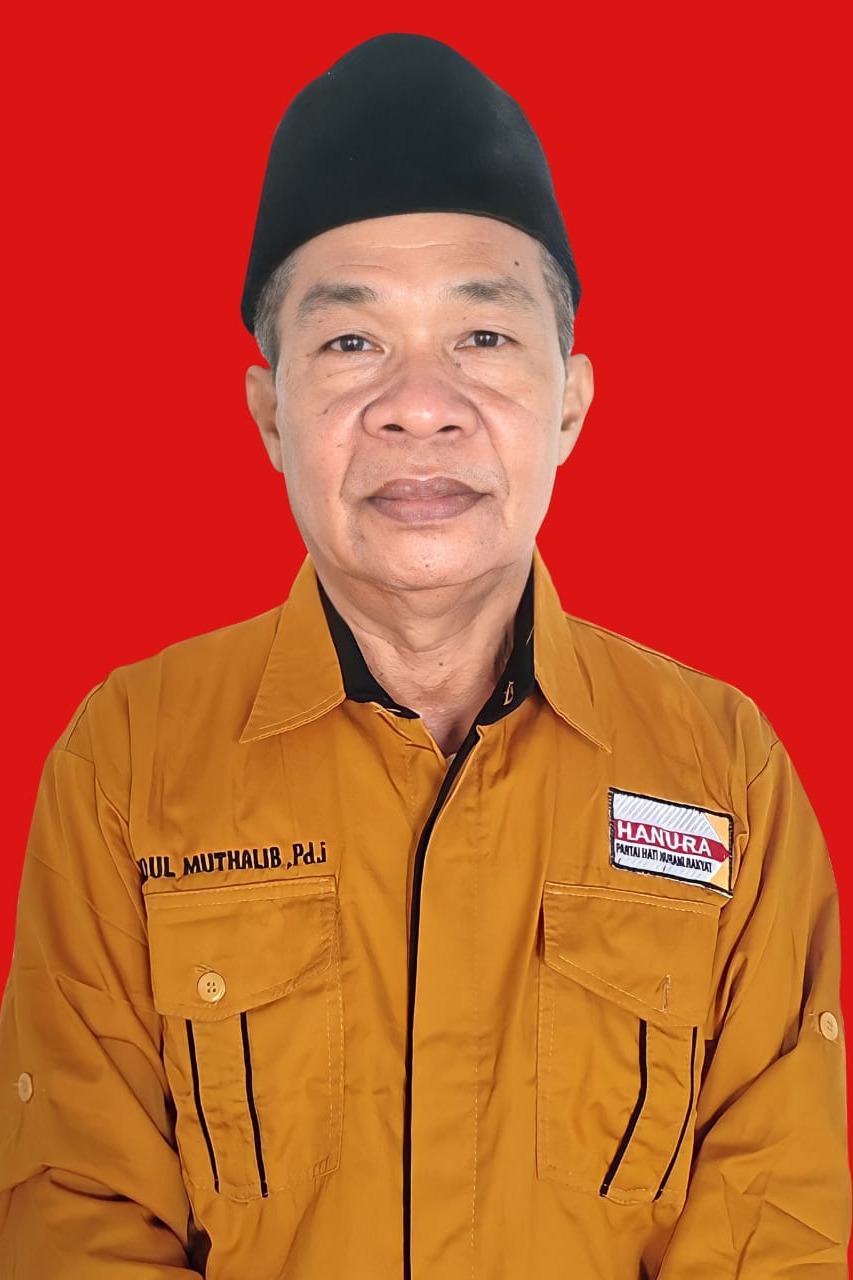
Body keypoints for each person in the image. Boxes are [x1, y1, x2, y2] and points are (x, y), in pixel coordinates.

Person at [0, 31, 848, 1279]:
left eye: (482, 337)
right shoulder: (130, 760)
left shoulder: (724, 772)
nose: (418, 403)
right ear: (269, 412)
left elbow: (771, 1229)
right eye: (351, 343)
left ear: (570, 403)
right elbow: (79, 1217)